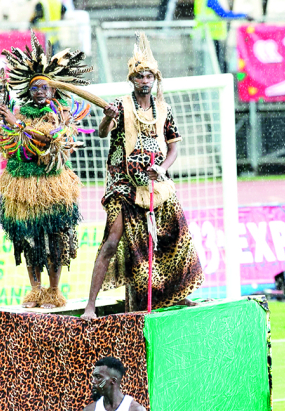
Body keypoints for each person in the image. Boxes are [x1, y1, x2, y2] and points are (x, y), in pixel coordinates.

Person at [0, 34, 92, 310]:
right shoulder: (18, 113)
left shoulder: (60, 114)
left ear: (54, 90)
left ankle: (54, 291)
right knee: (28, 239)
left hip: (52, 188)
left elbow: (47, 142)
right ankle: (35, 289)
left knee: (55, 238)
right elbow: (2, 143)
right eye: (35, 88)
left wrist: (16, 126)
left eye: (45, 87)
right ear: (28, 91)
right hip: (20, 190)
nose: (40, 91)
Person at [81, 33, 203, 320]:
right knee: (111, 241)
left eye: (149, 76)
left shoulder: (164, 109)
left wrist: (161, 169)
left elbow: (173, 147)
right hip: (122, 185)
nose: (145, 81)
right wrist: (108, 117)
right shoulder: (121, 106)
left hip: (155, 183)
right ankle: (90, 306)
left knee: (174, 235)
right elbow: (101, 133)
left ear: (155, 79)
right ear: (132, 81)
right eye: (139, 77)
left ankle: (177, 293)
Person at [193, 0, 248, 72]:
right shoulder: (210, 1)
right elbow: (223, 14)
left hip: (201, 36)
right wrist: (243, 16)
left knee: (204, 66)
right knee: (215, 66)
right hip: (210, 37)